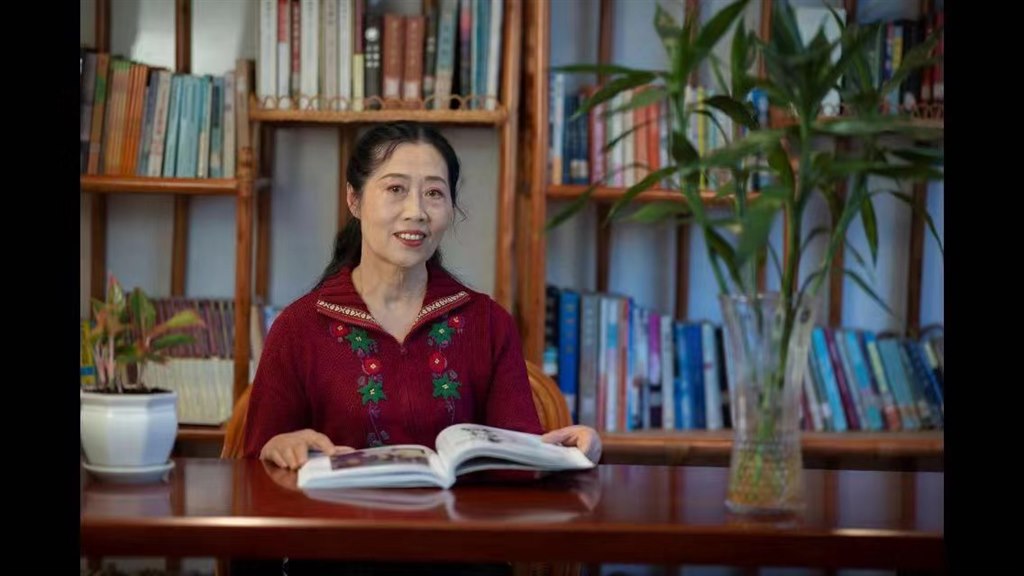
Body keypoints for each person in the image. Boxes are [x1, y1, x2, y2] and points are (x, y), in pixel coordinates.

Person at [235, 123, 600, 575]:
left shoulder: (488, 323)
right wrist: (279, 447)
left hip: (463, 565)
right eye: (395, 189)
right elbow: (252, 480)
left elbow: (518, 467)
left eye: (434, 193)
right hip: (336, 560)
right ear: (354, 200)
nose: (416, 211)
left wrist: (570, 454)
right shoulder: (299, 327)